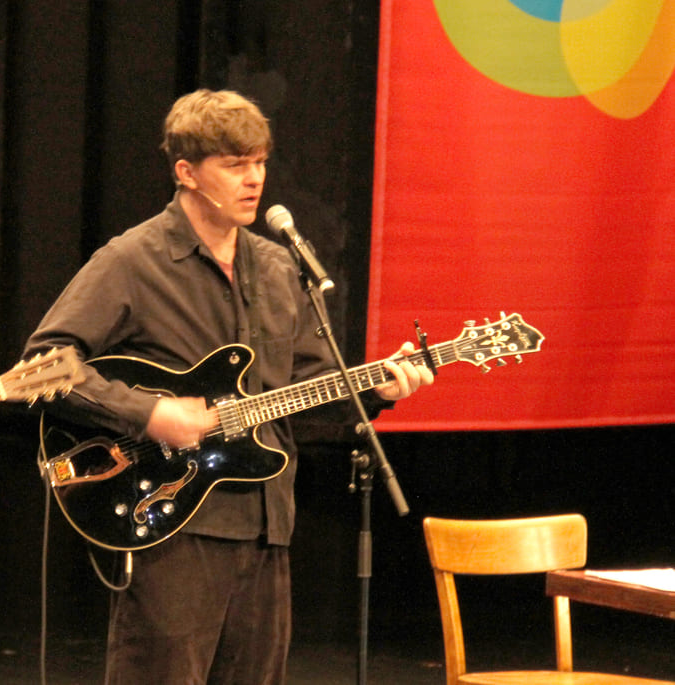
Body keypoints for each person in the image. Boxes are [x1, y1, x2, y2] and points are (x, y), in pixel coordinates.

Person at [23, 89, 433, 684]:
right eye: (235, 164)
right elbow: (43, 364)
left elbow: (308, 395)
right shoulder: (133, 260)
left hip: (268, 525)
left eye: (260, 162)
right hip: (173, 522)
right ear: (186, 172)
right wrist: (148, 414)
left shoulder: (277, 266)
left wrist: (377, 391)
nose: (254, 179)